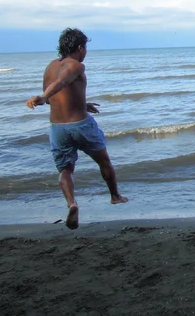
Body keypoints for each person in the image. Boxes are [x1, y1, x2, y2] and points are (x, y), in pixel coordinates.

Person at [26, 28, 128, 230]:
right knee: (103, 160)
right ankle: (115, 196)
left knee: (65, 169)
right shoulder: (77, 65)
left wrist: (82, 103)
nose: (86, 51)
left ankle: (72, 203)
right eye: (85, 47)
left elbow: (57, 93)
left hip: (58, 128)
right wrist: (45, 96)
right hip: (80, 125)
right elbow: (62, 81)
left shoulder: (49, 67)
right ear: (80, 47)